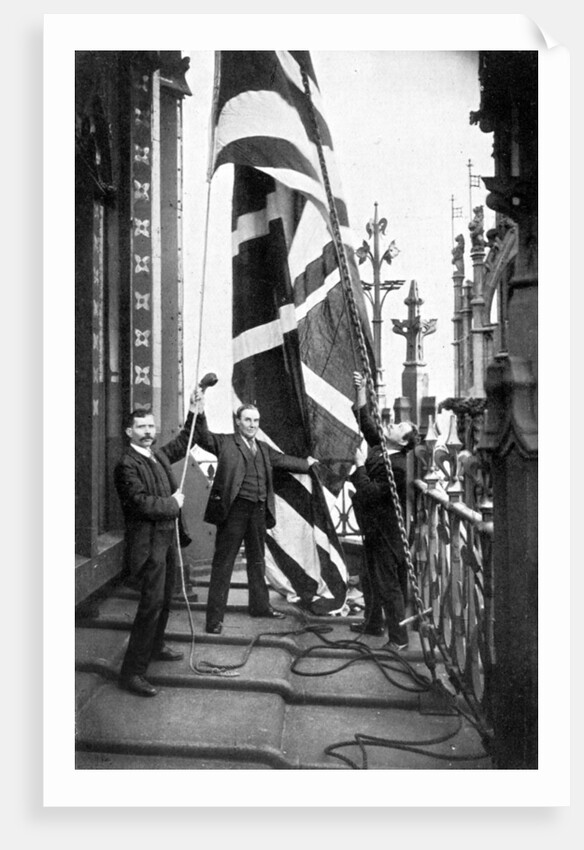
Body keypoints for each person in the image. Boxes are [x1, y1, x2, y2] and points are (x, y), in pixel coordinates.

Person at [193, 389, 318, 634]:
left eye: (256, 421)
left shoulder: (262, 448)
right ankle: (214, 620)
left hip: (258, 511)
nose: (252, 425)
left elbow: (283, 461)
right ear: (238, 422)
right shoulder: (226, 442)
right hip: (233, 513)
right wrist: (199, 411)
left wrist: (308, 465)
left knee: (257, 562)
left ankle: (259, 606)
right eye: (248, 420)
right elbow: (203, 437)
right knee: (224, 564)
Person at [114, 389, 198, 697]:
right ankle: (132, 673)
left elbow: (184, 442)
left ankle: (156, 645)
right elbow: (140, 504)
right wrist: (173, 504)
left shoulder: (157, 455)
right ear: (129, 432)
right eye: (141, 428)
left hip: (167, 542)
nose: (148, 432)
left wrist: (193, 410)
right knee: (150, 605)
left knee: (165, 600)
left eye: (151, 427)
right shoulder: (127, 465)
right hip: (147, 545)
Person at [349, 371, 419, 650]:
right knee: (368, 576)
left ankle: (399, 640)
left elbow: (371, 493)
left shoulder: (399, 468)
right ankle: (372, 622)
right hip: (373, 528)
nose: (391, 425)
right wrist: (361, 391)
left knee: (388, 584)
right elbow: (365, 422)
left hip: (389, 535)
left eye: (398, 426)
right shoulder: (382, 447)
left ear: (403, 442)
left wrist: (360, 466)